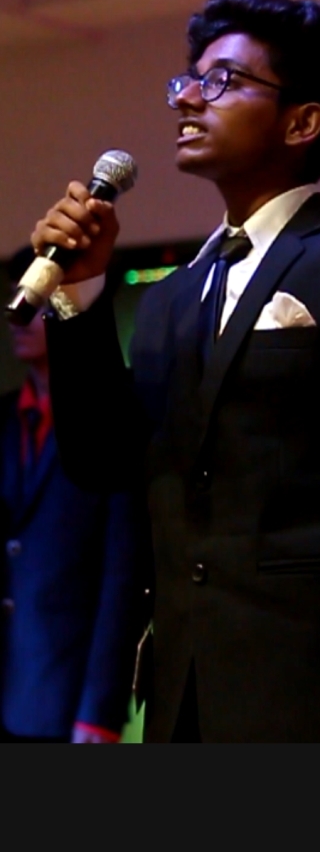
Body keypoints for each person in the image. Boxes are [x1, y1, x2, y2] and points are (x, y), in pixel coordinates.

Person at [32, 0, 320, 743]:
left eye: (223, 80)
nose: (188, 98)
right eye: (188, 79)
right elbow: (103, 459)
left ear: (302, 121)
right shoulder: (171, 299)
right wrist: (80, 295)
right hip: (185, 695)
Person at [0, 246, 147, 743]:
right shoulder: (5, 419)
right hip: (9, 680)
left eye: (35, 298)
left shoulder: (106, 423)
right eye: (17, 296)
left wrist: (100, 708)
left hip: (70, 691)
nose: (19, 316)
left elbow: (122, 573)